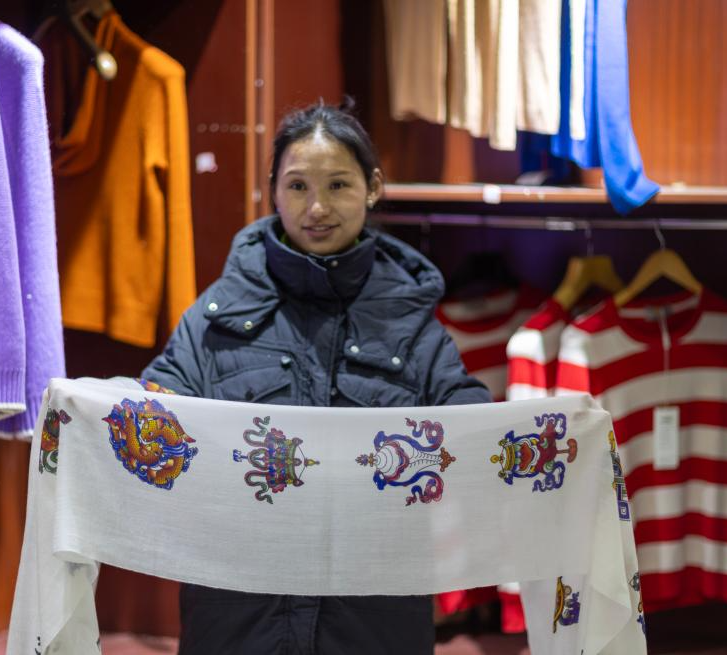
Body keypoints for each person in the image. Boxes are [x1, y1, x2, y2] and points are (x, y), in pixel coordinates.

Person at [142, 99, 491, 654]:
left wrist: (545, 429)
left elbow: (473, 430)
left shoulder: (410, 323)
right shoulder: (217, 316)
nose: (317, 208)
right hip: (238, 617)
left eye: (339, 185)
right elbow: (155, 414)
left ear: (372, 188)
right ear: (273, 191)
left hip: (373, 620)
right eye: (298, 186)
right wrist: (101, 405)